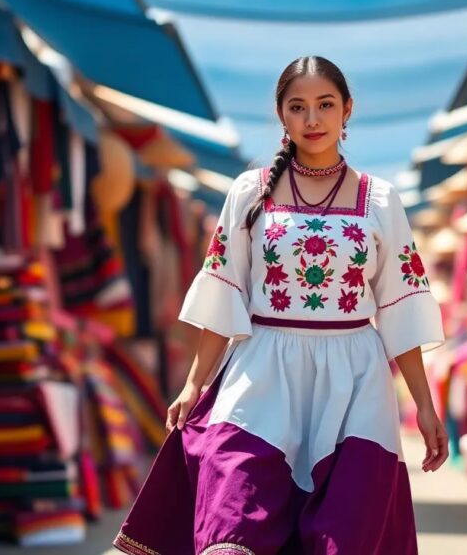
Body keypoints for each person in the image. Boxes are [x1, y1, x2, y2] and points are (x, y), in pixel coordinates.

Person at [114, 56, 447, 555]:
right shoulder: (249, 192)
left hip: (355, 380)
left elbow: (400, 308)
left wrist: (424, 405)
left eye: (325, 105)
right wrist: (193, 384)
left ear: (347, 110)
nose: (312, 120)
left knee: (348, 534)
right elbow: (225, 291)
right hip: (262, 373)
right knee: (232, 523)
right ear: (281, 115)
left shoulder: (382, 200)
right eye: (298, 107)